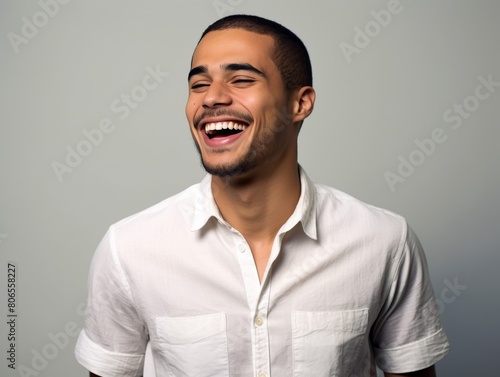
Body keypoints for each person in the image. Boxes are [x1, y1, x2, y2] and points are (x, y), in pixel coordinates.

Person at [75, 14, 450, 377]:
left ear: (299, 104)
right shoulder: (128, 250)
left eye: (240, 79)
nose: (211, 99)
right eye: (199, 84)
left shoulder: (384, 242)